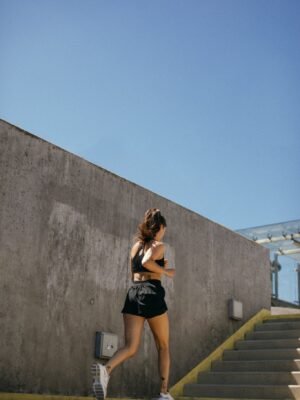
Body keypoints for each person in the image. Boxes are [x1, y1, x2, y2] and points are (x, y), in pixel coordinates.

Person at [91, 208, 176, 400]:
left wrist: (157, 266)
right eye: (164, 229)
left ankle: (106, 371)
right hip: (152, 293)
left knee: (130, 346)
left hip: (134, 293)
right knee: (163, 345)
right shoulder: (159, 245)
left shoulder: (135, 246)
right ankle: (164, 393)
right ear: (160, 227)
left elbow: (136, 272)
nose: (164, 233)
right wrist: (166, 271)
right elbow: (147, 262)